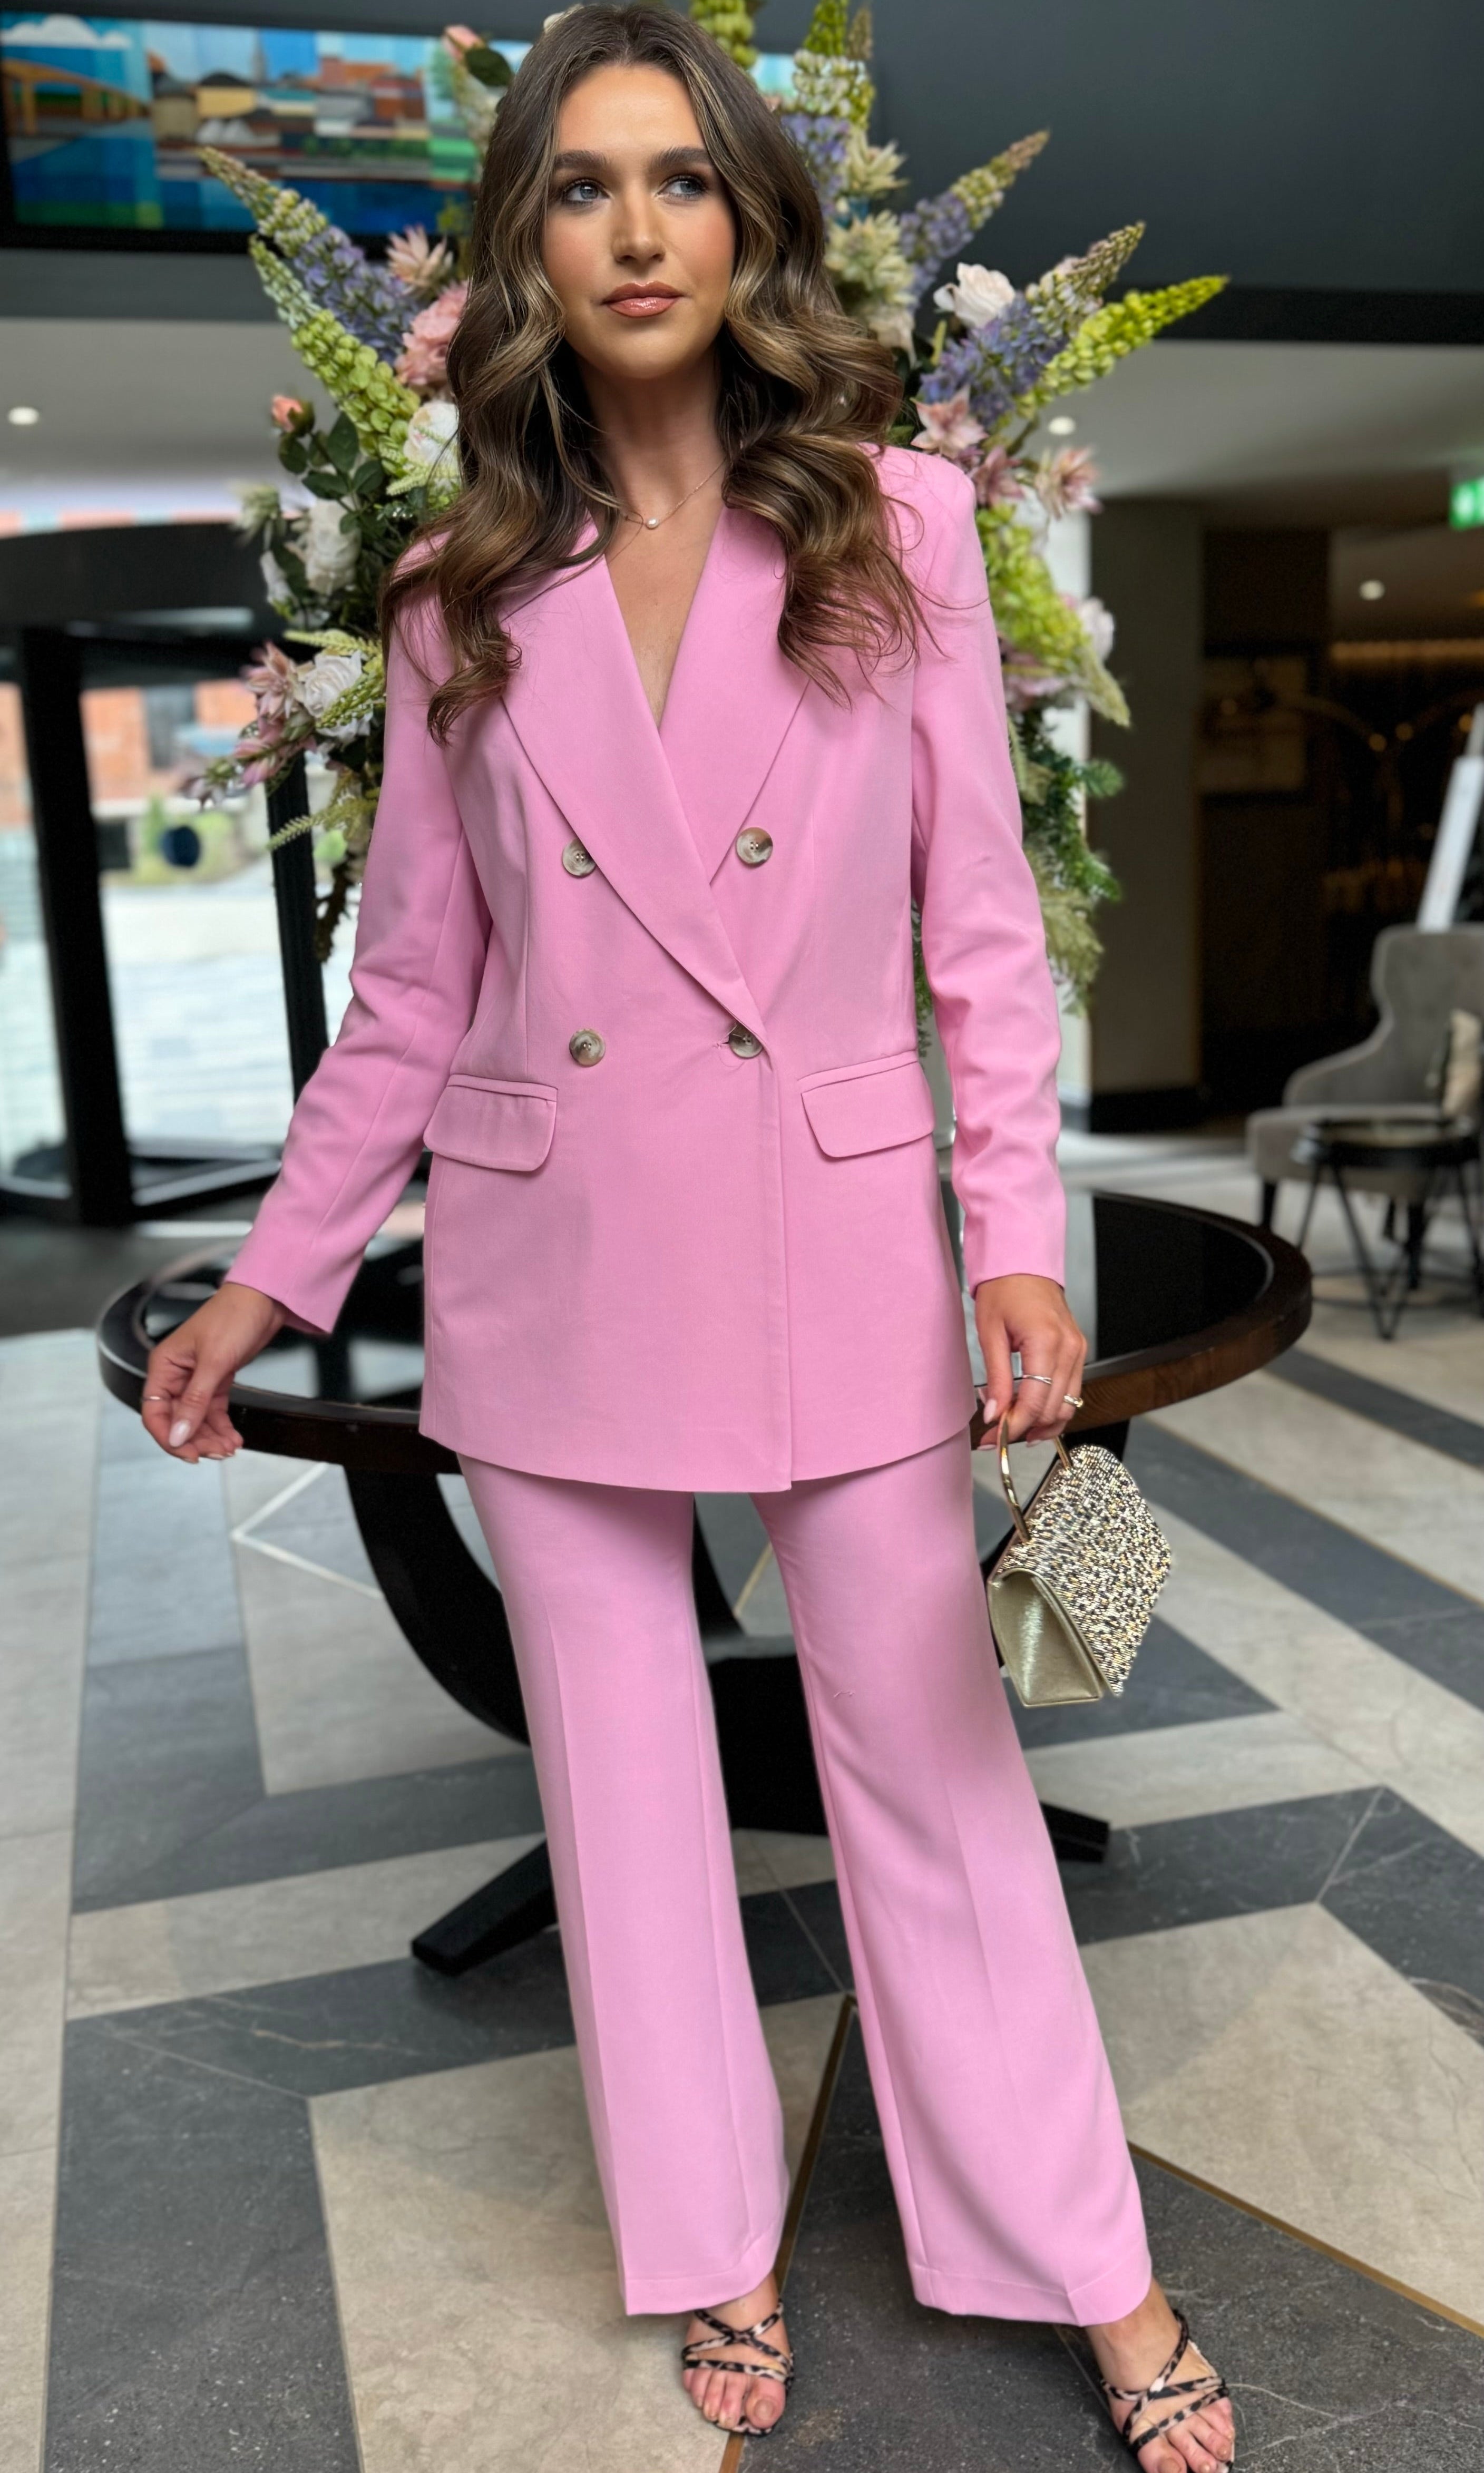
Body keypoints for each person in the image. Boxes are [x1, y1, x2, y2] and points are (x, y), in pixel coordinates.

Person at [142, 9, 1235, 2462]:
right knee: (625, 1804)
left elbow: (979, 939)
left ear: (748, 222)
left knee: (931, 1770)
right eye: (580, 186)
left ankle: (1085, 2260)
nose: (634, 230)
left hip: (831, 1235)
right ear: (524, 242)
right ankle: (712, 2239)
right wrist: (270, 1274)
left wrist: (1012, 1241)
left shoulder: (896, 529)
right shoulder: (454, 597)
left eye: (678, 179)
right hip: (551, 1260)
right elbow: (410, 996)